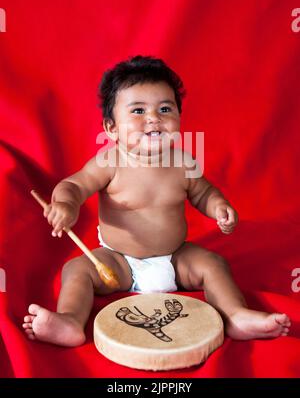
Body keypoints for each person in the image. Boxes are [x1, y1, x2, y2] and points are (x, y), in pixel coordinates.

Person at [23, 55, 290, 346]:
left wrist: (219, 208)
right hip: (119, 261)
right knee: (76, 270)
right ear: (111, 128)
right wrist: (65, 205)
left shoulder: (182, 162)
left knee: (213, 264)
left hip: (175, 258)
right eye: (138, 110)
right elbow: (73, 185)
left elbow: (203, 193)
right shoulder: (109, 162)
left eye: (165, 109)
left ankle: (235, 315)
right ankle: (70, 320)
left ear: (178, 118)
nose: (153, 118)